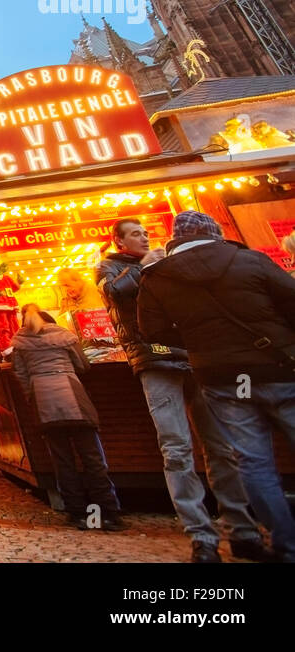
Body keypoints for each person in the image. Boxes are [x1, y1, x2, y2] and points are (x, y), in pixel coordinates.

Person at [98, 216, 268, 563]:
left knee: (220, 446)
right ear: (119, 242)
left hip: (194, 357)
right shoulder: (108, 268)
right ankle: (201, 537)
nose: (143, 237)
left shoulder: (169, 261)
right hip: (154, 361)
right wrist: (144, 267)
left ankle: (242, 530)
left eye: (145, 232)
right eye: (135, 234)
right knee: (175, 447)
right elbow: (114, 294)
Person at [139, 210, 295, 562]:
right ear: (216, 232)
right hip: (278, 369)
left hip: (221, 377)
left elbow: (154, 332)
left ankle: (287, 546)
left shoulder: (157, 277)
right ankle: (259, 535)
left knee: (254, 462)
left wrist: (197, 342)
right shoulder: (248, 259)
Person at [11, 303, 124, 531]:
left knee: (62, 461)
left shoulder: (19, 343)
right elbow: (82, 365)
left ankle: (78, 515)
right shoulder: (65, 335)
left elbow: (22, 377)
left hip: (45, 403)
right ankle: (109, 514)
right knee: (93, 457)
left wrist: (34, 394)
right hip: (73, 397)